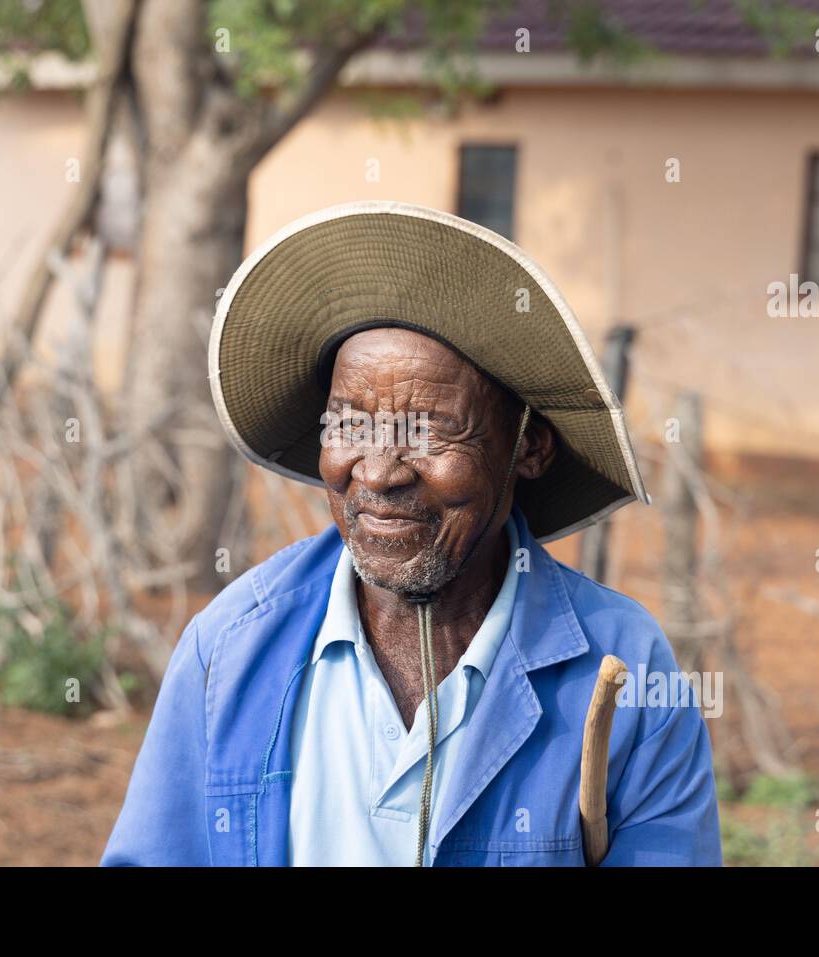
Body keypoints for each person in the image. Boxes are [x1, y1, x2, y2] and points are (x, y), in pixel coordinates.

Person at [102, 201, 721, 866]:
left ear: (530, 447)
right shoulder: (232, 648)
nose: (377, 471)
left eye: (427, 430)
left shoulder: (621, 667)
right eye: (349, 423)